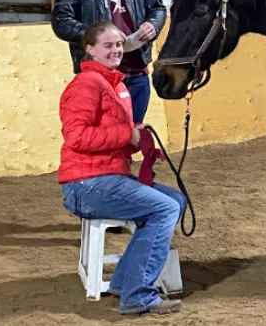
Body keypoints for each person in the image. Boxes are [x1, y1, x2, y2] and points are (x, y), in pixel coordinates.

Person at [58, 21, 186, 316]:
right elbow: (77, 137)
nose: (116, 50)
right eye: (108, 45)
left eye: (118, 44)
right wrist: (127, 135)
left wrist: (137, 139)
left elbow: (109, 139)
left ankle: (124, 280)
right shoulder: (87, 84)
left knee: (175, 202)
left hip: (104, 176)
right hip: (87, 184)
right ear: (89, 49)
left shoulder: (113, 84)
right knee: (164, 209)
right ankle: (138, 294)